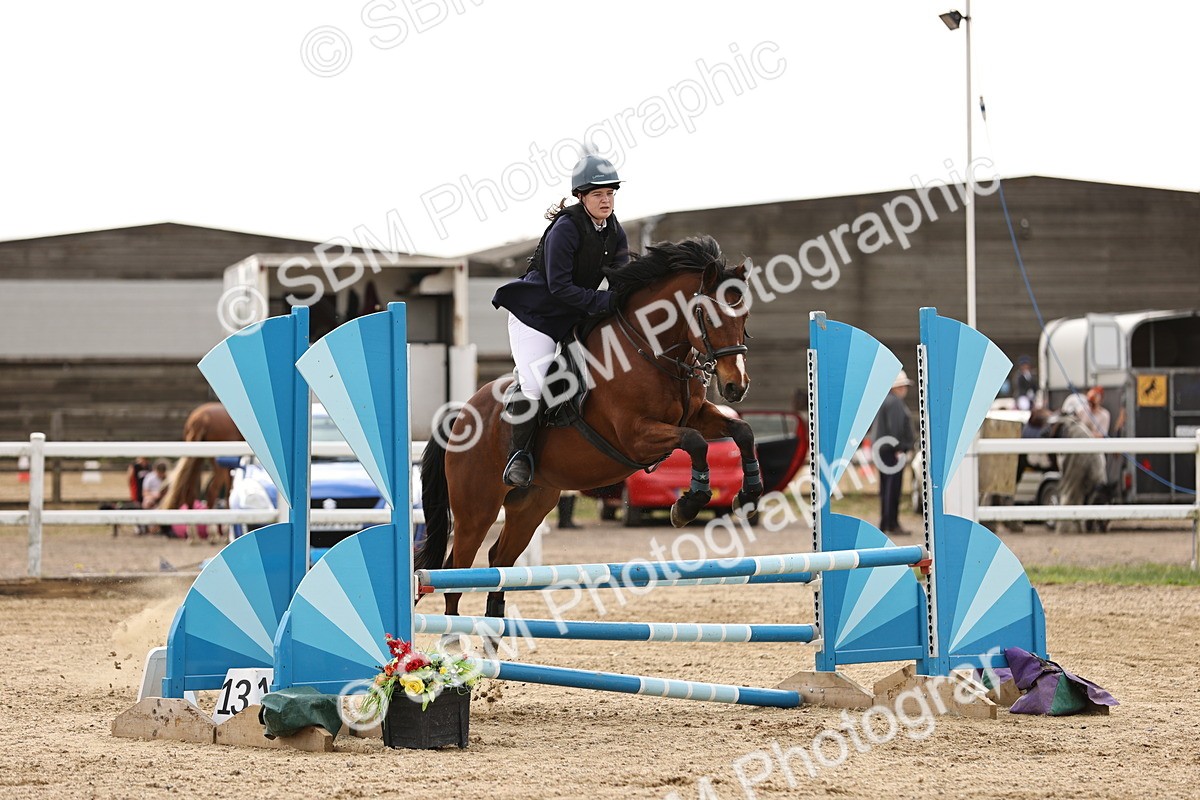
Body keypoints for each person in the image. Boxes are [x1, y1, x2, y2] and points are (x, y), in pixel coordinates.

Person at [490, 153, 631, 487]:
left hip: (572, 316)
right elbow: (559, 287)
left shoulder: (614, 231)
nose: (606, 200)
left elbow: (624, 279)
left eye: (610, 193)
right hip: (537, 316)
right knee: (536, 386)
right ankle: (519, 456)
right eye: (598, 194)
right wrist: (606, 300)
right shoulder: (566, 228)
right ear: (581, 196)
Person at [871, 371, 916, 535]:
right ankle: (892, 523)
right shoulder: (895, 403)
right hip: (892, 451)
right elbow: (895, 428)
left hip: (883, 450)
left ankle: (886, 522)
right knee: (893, 487)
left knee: (886, 487)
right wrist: (900, 448)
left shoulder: (885, 401)